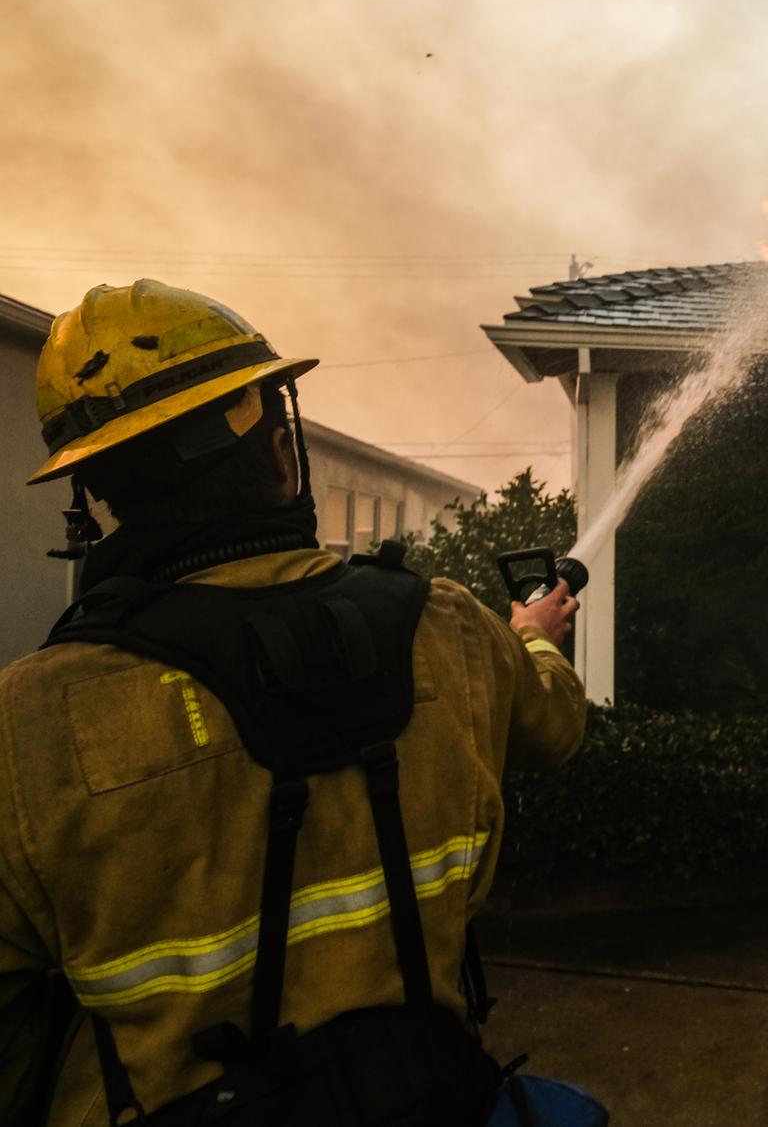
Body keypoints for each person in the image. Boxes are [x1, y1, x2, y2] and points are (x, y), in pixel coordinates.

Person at [0, 279, 589, 1125]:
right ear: (283, 451)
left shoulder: (30, 718)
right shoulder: (447, 625)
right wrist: (530, 636)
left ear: (99, 491)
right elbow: (556, 724)